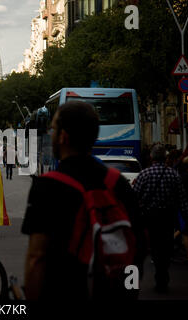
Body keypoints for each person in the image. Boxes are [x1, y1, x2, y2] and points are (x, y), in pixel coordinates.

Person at [22, 101, 146, 300]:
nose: (51, 134)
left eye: (53, 129)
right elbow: (138, 245)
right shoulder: (118, 183)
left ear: (63, 137)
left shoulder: (47, 186)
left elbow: (37, 257)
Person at [133, 143, 188, 293]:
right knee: (165, 246)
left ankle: (157, 264)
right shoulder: (174, 175)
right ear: (165, 158)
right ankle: (162, 271)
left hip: (150, 216)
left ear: (151, 157)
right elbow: (182, 199)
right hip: (167, 216)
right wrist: (187, 218)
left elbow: (134, 198)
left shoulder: (144, 174)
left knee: (154, 244)